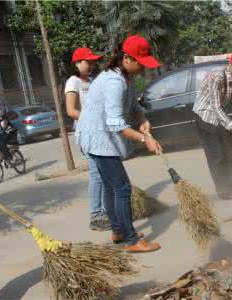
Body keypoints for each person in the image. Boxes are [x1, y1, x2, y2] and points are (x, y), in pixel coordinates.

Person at [75, 35, 162, 253]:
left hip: (103, 136)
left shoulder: (127, 78)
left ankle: (118, 230)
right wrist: (145, 139)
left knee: (109, 186)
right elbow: (116, 124)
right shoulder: (114, 82)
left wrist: (142, 119)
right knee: (122, 188)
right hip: (98, 138)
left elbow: (133, 106)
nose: (143, 68)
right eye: (141, 63)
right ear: (127, 58)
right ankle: (132, 241)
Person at [193, 49, 232, 200]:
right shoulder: (216, 77)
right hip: (205, 116)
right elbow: (214, 106)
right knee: (217, 155)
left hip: (222, 116)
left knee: (230, 154)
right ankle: (222, 188)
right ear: (230, 63)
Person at [65, 47, 111, 231]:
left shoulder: (93, 81)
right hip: (86, 132)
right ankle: (96, 216)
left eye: (93, 62)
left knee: (104, 173)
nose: (91, 65)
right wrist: (92, 119)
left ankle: (105, 212)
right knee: (96, 174)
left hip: (99, 130)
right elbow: (71, 111)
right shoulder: (73, 82)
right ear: (77, 63)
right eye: (87, 62)